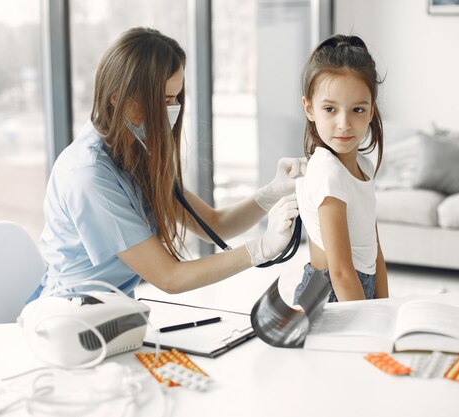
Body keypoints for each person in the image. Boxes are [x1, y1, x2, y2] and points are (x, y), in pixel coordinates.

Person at [27, 27, 305, 302]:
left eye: (175, 99)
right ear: (118, 98)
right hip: (68, 318)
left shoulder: (134, 156)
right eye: (162, 99)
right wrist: (260, 249)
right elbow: (169, 277)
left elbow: (213, 224)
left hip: (112, 312)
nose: (172, 109)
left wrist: (274, 191)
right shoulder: (89, 176)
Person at [293, 34, 388, 303]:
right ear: (309, 109)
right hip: (332, 297)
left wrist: (385, 307)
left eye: (357, 109)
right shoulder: (327, 172)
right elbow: (342, 273)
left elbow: (375, 249)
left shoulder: (364, 166)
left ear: (371, 112)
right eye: (330, 109)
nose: (344, 124)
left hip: (356, 290)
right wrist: (370, 321)